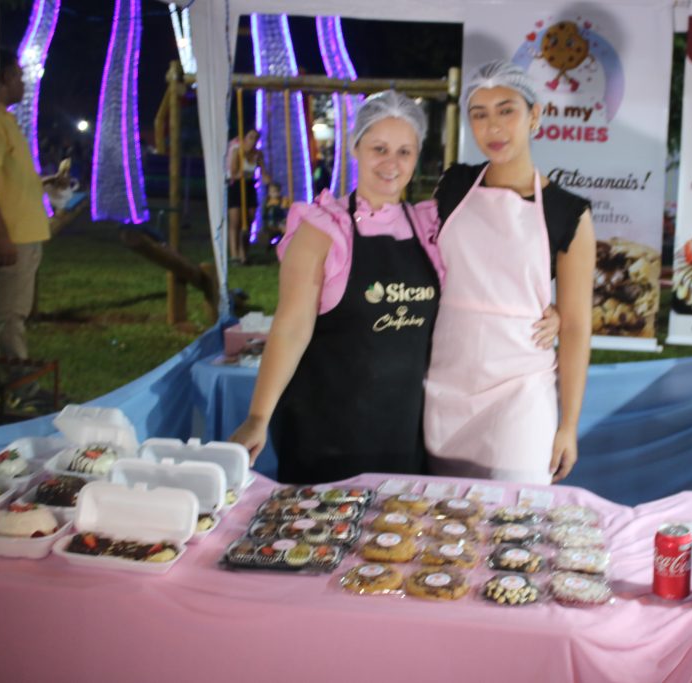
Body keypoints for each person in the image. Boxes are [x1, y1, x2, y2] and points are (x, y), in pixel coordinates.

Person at [230, 91, 559, 484]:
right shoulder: (322, 230)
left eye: (405, 152)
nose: (392, 163)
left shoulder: (430, 226)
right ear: (355, 148)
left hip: (404, 433)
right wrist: (258, 416)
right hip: (324, 432)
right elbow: (290, 328)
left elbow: (489, 282)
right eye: (379, 149)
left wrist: (548, 312)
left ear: (417, 156)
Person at [424, 60, 596, 485]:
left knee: (518, 512)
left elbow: (576, 326)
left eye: (507, 111)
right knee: (443, 515)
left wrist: (568, 425)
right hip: (447, 384)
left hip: (522, 390)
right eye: (480, 114)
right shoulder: (453, 187)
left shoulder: (567, 212)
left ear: (535, 115)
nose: (494, 127)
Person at [0, 48, 69, 360]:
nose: (24, 83)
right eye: (19, 76)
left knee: (10, 314)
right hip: (11, 238)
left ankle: (8, 378)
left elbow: (6, 178)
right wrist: (2, 235)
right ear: (4, 77)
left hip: (22, 237)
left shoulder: (6, 120)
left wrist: (46, 182)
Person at [226, 128, 263, 264]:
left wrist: (268, 180)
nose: (253, 141)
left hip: (249, 186)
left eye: (255, 138)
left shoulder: (258, 154)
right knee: (235, 221)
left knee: (248, 220)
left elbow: (264, 172)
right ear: (245, 138)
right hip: (236, 186)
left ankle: (244, 254)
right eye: (250, 137)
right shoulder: (237, 151)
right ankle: (234, 254)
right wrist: (241, 174)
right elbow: (233, 173)